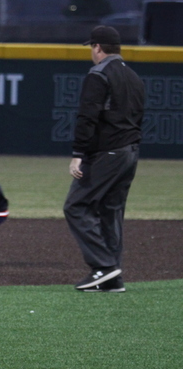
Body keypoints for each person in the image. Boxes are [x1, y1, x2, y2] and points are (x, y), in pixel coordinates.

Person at [64, 25, 145, 292]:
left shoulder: (99, 74)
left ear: (98, 47)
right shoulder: (133, 76)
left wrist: (78, 154)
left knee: (76, 206)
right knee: (111, 211)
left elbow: (88, 116)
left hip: (107, 152)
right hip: (129, 152)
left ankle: (104, 266)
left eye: (92, 47)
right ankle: (112, 279)